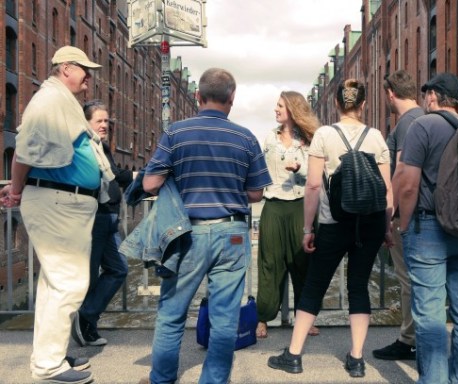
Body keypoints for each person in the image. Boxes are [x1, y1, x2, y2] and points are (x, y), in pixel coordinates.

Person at [140, 68, 272, 384]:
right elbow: (256, 193)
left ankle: (162, 380)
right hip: (233, 236)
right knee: (225, 320)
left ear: (198, 96)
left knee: (171, 315)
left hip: (187, 234)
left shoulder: (175, 133)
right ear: (232, 98)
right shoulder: (246, 137)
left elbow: (149, 184)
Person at [0, 46, 113, 384]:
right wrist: (16, 188)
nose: (89, 77)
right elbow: (26, 148)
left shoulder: (60, 102)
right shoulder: (50, 101)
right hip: (57, 201)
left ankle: (51, 355)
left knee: (55, 284)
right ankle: (49, 366)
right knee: (68, 282)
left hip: (65, 202)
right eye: (84, 70)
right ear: (66, 68)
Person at [267, 79, 393, 378]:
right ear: (362, 105)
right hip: (371, 222)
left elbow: (312, 185)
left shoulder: (325, 134)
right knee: (359, 285)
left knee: (314, 284)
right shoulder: (376, 137)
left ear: (337, 104)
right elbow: (387, 189)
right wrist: (386, 228)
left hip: (335, 222)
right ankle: (357, 358)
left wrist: (307, 228)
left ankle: (294, 355)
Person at [394, 72, 458, 383]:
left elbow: (407, 184)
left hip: (429, 226)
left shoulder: (423, 125)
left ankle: (433, 380)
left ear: (433, 96)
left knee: (430, 311)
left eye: (427, 94)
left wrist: (404, 225)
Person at [256, 91, 320, 339]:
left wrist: (299, 167)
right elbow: (261, 170)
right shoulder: (269, 138)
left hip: (299, 205)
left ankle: (304, 318)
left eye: (280, 105)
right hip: (272, 204)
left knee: (302, 264)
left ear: (293, 109)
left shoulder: (309, 139)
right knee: (269, 262)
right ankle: (263, 317)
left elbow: (317, 173)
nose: (276, 109)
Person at [71, 101, 133, 347]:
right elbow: (115, 176)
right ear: (86, 122)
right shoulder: (85, 147)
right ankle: (86, 326)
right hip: (94, 217)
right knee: (90, 274)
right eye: (99, 121)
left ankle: (86, 316)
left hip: (109, 216)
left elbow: (115, 173)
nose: (104, 125)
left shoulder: (102, 147)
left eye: (107, 121)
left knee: (119, 269)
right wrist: (144, 176)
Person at [372, 70, 423, 361]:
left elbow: (403, 172)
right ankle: (415, 337)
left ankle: (409, 340)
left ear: (391, 93)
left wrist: (391, 218)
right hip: (416, 214)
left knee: (408, 280)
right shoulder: (421, 118)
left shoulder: (407, 124)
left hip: (407, 216)